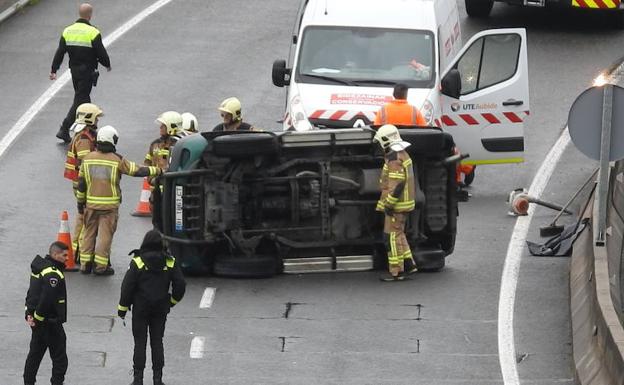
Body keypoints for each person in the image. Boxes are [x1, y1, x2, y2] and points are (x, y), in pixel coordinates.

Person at [76, 125, 161, 275]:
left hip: (90, 204)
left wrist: (80, 203)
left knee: (89, 233)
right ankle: (100, 267)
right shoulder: (116, 160)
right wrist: (157, 170)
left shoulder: (87, 159)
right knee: (105, 235)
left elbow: (81, 184)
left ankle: (85, 264)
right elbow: (137, 170)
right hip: (109, 206)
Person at [118, 230, 186, 385]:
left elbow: (127, 287)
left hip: (141, 308)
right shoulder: (170, 261)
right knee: (157, 341)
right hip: (160, 308)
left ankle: (138, 379)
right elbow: (180, 284)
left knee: (140, 342)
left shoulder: (138, 261)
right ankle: (158, 379)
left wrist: (122, 309)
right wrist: (172, 301)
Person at [50, 3, 111, 143]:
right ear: (90, 15)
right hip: (87, 72)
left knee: (83, 99)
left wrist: (54, 69)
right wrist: (107, 64)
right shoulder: (93, 32)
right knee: (80, 100)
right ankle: (64, 129)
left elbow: (60, 52)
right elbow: (100, 51)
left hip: (74, 72)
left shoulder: (68, 31)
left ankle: (89, 129)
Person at [373, 124, 419, 281]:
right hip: (405, 204)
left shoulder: (393, 158)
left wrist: (389, 204)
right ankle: (409, 264)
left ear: (385, 140)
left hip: (397, 206)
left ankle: (396, 271)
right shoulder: (403, 154)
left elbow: (397, 184)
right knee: (399, 234)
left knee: (390, 237)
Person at [23, 242, 70, 385]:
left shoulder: (41, 268)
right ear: (55, 255)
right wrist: (38, 318)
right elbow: (46, 298)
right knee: (60, 360)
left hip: (39, 323)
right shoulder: (53, 273)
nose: (67, 258)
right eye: (64, 255)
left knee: (34, 357)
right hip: (50, 323)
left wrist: (29, 313)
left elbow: (32, 293)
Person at [63, 103, 102, 256]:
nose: (98, 121)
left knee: (82, 215)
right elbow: (87, 162)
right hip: (84, 182)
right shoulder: (84, 138)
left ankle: (77, 249)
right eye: (96, 118)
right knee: (86, 217)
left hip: (80, 181)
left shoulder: (85, 135)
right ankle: (80, 250)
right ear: (89, 118)